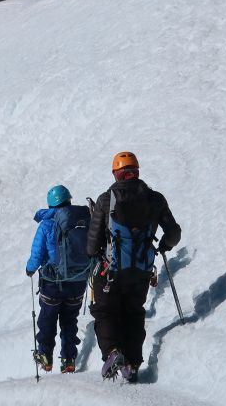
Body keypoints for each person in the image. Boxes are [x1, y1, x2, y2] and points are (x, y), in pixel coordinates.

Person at [87, 151, 181, 383]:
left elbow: (91, 246)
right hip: (141, 269)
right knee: (134, 313)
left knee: (104, 312)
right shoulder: (155, 198)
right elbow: (174, 233)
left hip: (110, 271)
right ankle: (133, 363)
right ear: (136, 171)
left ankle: (112, 352)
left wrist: (97, 252)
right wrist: (163, 246)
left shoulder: (106, 199)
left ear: (116, 173)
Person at [25, 184, 90, 374]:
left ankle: (45, 355)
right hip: (78, 282)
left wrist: (29, 269)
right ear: (69, 200)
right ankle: (68, 359)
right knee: (70, 321)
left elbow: (37, 255)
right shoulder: (81, 221)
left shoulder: (46, 225)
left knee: (47, 319)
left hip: (52, 284)